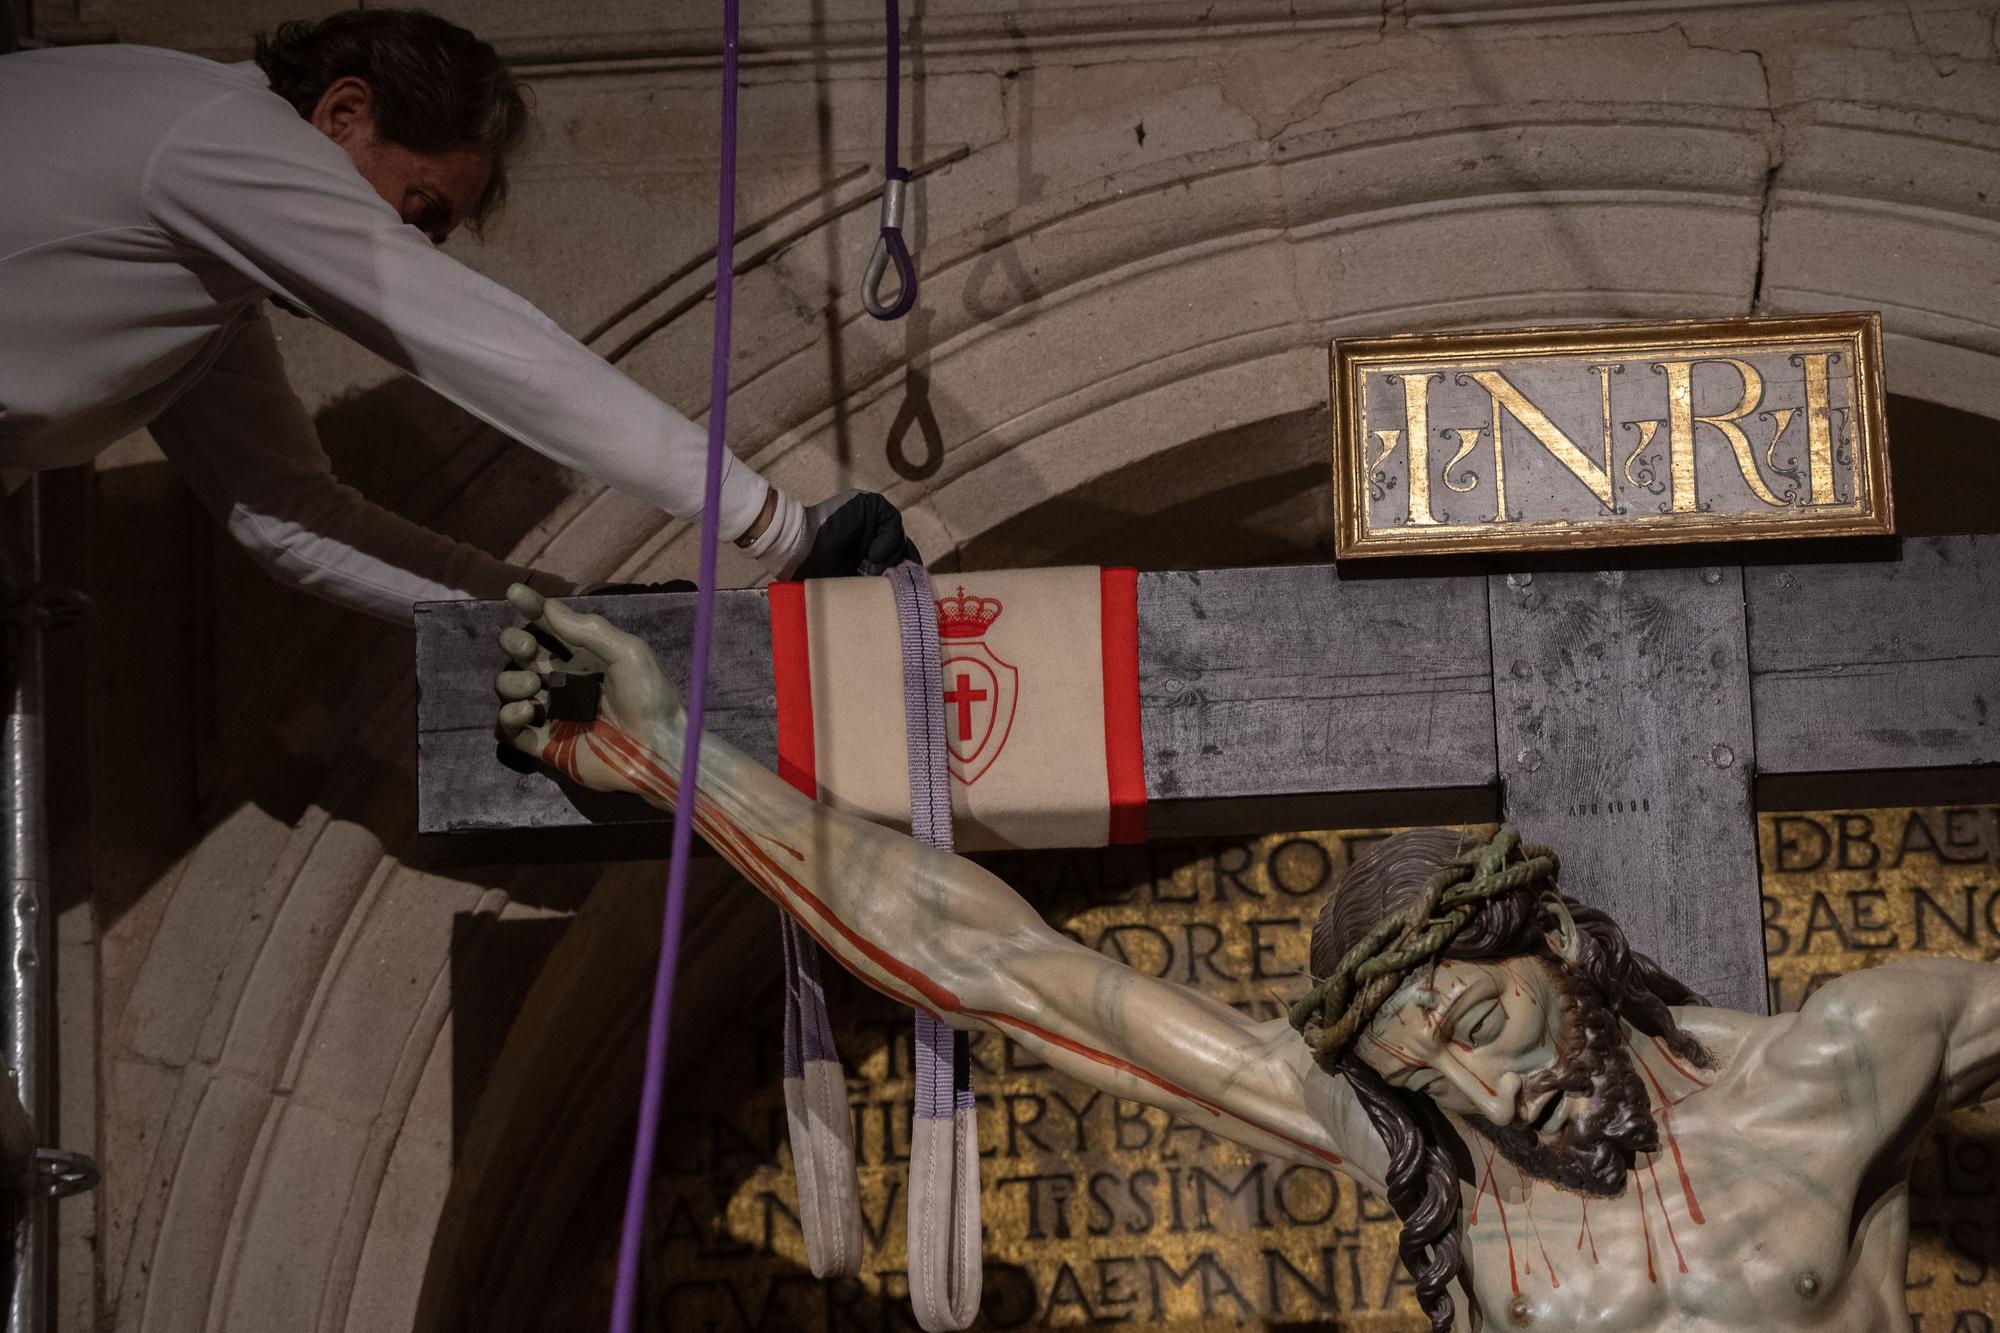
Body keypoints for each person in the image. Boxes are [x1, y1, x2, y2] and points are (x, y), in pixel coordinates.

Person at [493, 582, 2000, 1332]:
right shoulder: (1439, 1164)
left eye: (1483, 1017)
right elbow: (1001, 964)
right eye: (1434, 1069)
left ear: (1548, 941)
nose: (1485, 1093)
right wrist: (671, 753)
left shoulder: (1849, 1060)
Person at [0, 11, 914, 624]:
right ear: (344, 113)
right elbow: (481, 342)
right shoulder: (220, 134)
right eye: (419, 208)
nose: (406, 245)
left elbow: (288, 515)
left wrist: (571, 618)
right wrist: (779, 526)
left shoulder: (209, 266)